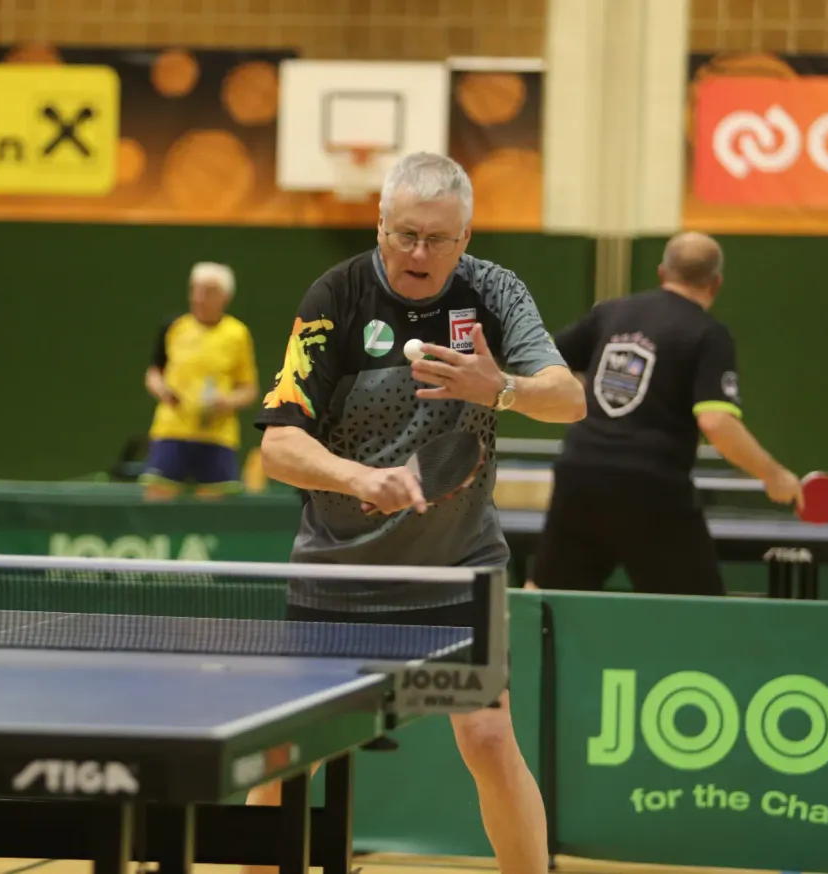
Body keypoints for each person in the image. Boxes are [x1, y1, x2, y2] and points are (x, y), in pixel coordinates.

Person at [249, 152, 585, 874]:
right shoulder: (335, 296)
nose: (419, 254)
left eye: (437, 239)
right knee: (285, 757)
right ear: (380, 225)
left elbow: (570, 399)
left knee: (490, 739)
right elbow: (277, 448)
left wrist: (501, 390)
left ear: (466, 237)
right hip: (339, 567)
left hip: (457, 565)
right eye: (404, 235)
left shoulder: (494, 292)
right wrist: (359, 477)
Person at [530, 231, 802, 596]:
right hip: (650, 488)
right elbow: (716, 422)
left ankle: (510, 655)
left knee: (546, 600)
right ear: (716, 283)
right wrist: (774, 475)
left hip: (580, 474)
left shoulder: (611, 312)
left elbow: (539, 362)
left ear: (662, 273)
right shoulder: (708, 334)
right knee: (698, 613)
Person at [141, 262, 258, 499]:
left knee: (214, 512)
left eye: (208, 291)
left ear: (225, 296)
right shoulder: (174, 327)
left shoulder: (237, 334)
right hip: (171, 432)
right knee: (155, 503)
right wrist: (162, 390)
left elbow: (249, 389)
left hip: (217, 436)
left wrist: (226, 401)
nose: (198, 297)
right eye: (194, 289)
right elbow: (154, 372)